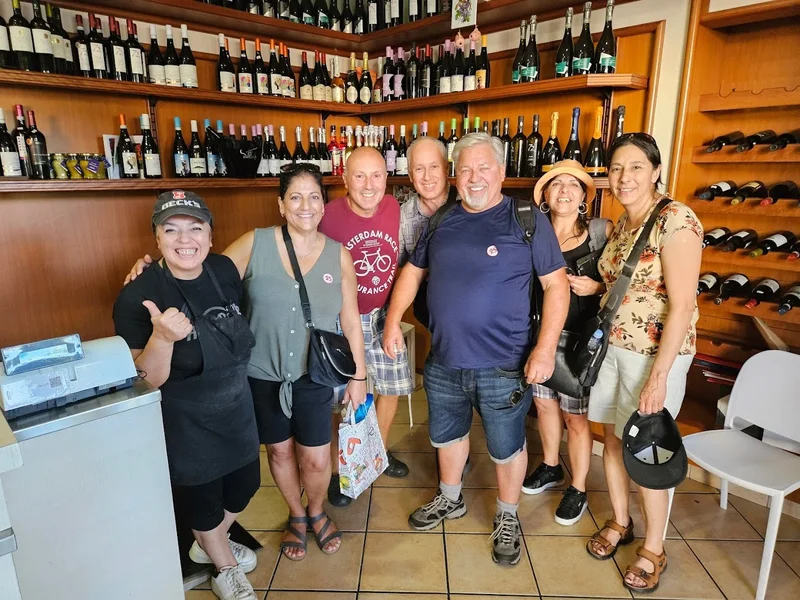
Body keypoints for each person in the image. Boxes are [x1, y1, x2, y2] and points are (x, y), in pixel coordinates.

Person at [123, 167, 368, 563]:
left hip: (314, 374)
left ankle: (317, 509)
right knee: (280, 453)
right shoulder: (256, 243)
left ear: (324, 205)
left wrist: (359, 376)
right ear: (281, 205)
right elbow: (202, 271)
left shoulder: (338, 255)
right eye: (295, 197)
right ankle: (296, 514)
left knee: (317, 457)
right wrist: (153, 268)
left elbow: (352, 321)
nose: (305, 206)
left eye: (314, 197)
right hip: (260, 374)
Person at [382, 133, 571, 565]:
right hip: (444, 361)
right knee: (447, 437)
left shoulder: (526, 219)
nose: (474, 177)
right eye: (465, 169)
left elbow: (556, 287)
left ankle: (507, 515)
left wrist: (544, 350)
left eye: (484, 167)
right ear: (455, 176)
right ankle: (450, 498)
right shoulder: (442, 220)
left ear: (501, 172)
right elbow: (412, 273)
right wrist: (392, 321)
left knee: (507, 448)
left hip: (504, 365)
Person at [113, 191, 261, 600]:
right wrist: (162, 338)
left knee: (246, 486)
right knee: (204, 503)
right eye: (171, 230)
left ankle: (208, 542)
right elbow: (144, 381)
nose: (185, 240)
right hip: (186, 421)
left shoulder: (224, 270)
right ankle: (226, 568)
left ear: (210, 236)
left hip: (236, 406)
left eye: (195, 228)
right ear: (157, 238)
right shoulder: (137, 296)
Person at [585, 134, 702, 593]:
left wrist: (659, 378)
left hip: (655, 358)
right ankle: (621, 520)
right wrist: (594, 288)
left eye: (636, 167)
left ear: (655, 171)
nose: (624, 177)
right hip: (613, 351)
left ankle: (655, 548)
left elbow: (682, 306)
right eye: (616, 168)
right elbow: (627, 285)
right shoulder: (623, 223)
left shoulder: (676, 220)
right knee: (613, 441)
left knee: (648, 453)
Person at [322, 146, 416, 507]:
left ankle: (376, 454)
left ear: (386, 178)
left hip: (383, 316)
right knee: (340, 401)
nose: (368, 185)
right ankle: (340, 471)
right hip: (340, 319)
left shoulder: (394, 208)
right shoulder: (327, 215)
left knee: (391, 388)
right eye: (359, 176)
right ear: (345, 179)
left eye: (376, 176)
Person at [522, 160, 612, 527]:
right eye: (556, 184)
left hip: (579, 343)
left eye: (573, 185)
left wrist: (598, 287)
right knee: (544, 407)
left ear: (583, 196)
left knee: (576, 418)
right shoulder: (533, 232)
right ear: (545, 194)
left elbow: (626, 282)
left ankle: (578, 487)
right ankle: (551, 466)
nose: (564, 190)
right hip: (541, 337)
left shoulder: (600, 232)